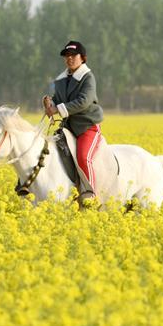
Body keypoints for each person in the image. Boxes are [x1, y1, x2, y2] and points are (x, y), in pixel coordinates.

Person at [43, 40, 105, 203]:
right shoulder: (62, 80)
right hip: (68, 127)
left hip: (87, 127)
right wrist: (50, 104)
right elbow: (58, 99)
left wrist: (58, 109)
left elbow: (84, 101)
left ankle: (90, 193)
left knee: (83, 157)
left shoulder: (88, 77)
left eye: (73, 55)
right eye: (66, 56)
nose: (69, 59)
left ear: (82, 58)